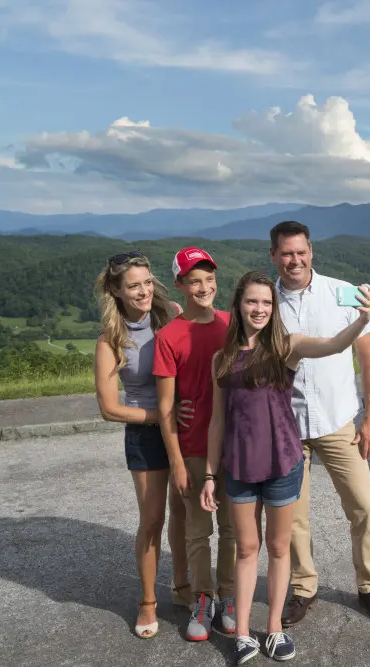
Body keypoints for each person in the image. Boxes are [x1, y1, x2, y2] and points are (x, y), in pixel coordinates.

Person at [200, 271, 370, 664]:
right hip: (241, 467)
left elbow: (333, 345)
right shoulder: (221, 359)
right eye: (252, 301)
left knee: (280, 548)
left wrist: (362, 321)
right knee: (246, 549)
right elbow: (217, 422)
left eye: (266, 302)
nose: (260, 308)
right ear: (239, 305)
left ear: (273, 307)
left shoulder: (286, 346)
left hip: (283, 463)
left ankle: (275, 628)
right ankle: (244, 633)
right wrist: (210, 475)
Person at [268, 221, 370, 626]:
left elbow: (369, 359)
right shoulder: (262, 301)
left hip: (339, 419)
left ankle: (369, 586)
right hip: (286, 426)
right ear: (273, 255)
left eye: (300, 252)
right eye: (286, 253)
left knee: (364, 507)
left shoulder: (343, 293)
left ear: (312, 252)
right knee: (293, 518)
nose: (294, 260)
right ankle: (304, 589)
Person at [92, 249, 194, 639]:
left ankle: (183, 587)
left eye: (147, 282)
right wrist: (159, 417)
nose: (143, 291)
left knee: (184, 511)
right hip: (146, 430)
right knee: (152, 520)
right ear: (116, 291)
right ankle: (148, 601)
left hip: (184, 425)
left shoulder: (169, 312)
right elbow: (109, 408)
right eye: (133, 286)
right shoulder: (111, 340)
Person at [153, 246, 237, 641]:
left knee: (233, 527)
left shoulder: (230, 323)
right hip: (193, 446)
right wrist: (177, 464)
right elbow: (167, 409)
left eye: (209, 279)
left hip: (235, 446)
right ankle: (202, 599)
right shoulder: (169, 336)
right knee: (198, 529)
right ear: (180, 285)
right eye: (194, 280)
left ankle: (229, 596)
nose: (204, 287)